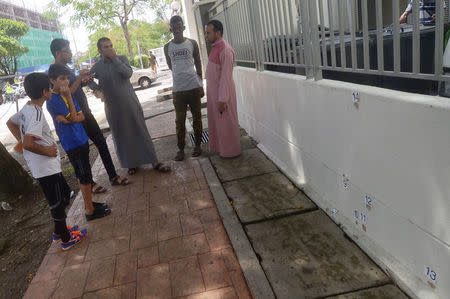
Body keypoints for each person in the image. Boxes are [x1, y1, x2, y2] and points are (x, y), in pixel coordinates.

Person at [6, 73, 87, 250]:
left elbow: (9, 123)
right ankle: (66, 239)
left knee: (58, 197)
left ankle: (60, 231)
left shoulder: (27, 109)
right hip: (46, 167)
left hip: (41, 167)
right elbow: (28, 144)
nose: (52, 90)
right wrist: (46, 150)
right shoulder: (35, 113)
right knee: (59, 202)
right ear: (45, 92)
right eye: (50, 88)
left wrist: (20, 141)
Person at [50, 38, 129, 190]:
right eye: (67, 51)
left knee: (101, 142)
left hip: (85, 112)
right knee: (83, 152)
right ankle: (90, 184)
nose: (70, 53)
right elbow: (65, 94)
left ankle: (112, 176)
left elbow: (74, 88)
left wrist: (84, 81)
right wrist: (80, 78)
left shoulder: (67, 68)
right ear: (57, 52)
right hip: (74, 117)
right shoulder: (54, 72)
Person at [89, 37, 170, 174]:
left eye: (111, 45)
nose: (109, 49)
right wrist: (97, 90)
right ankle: (131, 164)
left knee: (140, 131)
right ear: (99, 50)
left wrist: (115, 59)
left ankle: (154, 161)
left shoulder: (121, 58)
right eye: (105, 47)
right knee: (121, 135)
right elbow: (88, 81)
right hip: (112, 107)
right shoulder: (97, 66)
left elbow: (127, 73)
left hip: (129, 103)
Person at [47, 64, 111, 221]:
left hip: (80, 138)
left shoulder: (67, 94)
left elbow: (79, 117)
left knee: (84, 172)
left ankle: (89, 203)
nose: (66, 82)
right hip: (72, 142)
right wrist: (69, 99)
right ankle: (89, 211)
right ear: (52, 80)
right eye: (62, 79)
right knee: (83, 175)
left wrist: (72, 115)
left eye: (68, 78)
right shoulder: (54, 99)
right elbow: (75, 117)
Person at [164, 16, 204, 161]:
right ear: (171, 29)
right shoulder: (167, 47)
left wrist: (201, 85)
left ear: (183, 27)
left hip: (193, 87)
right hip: (178, 90)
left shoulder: (192, 43)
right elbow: (170, 66)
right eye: (174, 28)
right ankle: (181, 148)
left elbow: (198, 64)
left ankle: (198, 145)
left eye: (179, 27)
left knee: (197, 118)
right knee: (179, 121)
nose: (176, 30)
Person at [204, 20, 241, 158]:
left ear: (218, 33)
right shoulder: (215, 47)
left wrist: (222, 100)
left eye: (208, 32)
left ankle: (232, 152)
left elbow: (225, 78)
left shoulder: (225, 50)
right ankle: (223, 150)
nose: (206, 35)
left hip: (223, 97)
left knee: (227, 125)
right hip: (215, 96)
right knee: (220, 126)